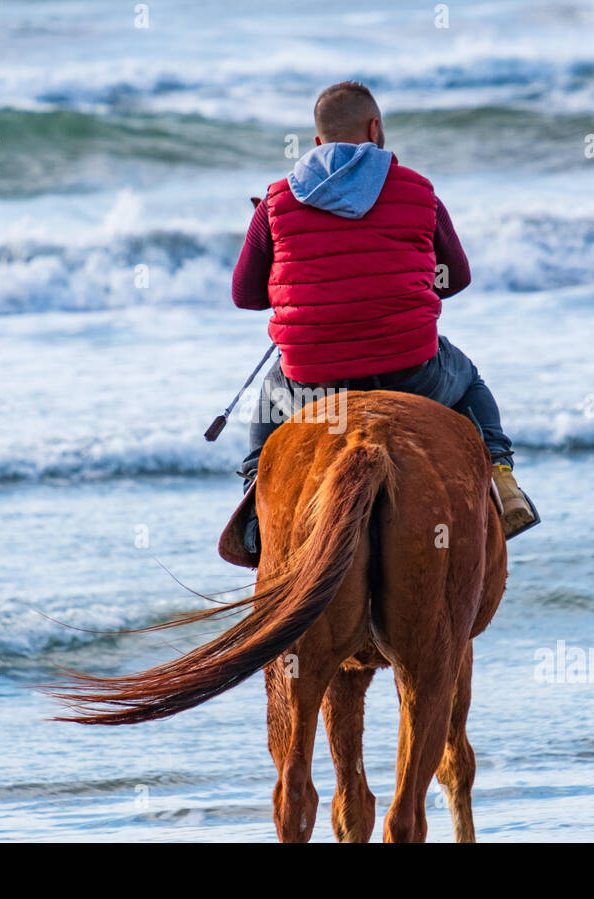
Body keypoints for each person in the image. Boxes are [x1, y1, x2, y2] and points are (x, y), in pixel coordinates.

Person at [230, 80, 537, 555]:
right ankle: (502, 474)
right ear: (376, 130)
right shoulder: (417, 190)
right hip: (411, 371)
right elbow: (455, 278)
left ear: (318, 142)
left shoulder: (276, 201)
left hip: (316, 381)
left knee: (270, 394)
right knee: (470, 378)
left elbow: (245, 296)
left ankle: (254, 504)